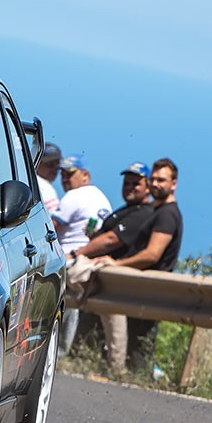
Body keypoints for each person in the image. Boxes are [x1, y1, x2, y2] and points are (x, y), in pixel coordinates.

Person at [96, 157, 183, 370]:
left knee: (139, 351)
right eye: (153, 179)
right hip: (142, 291)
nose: (155, 184)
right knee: (133, 346)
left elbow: (152, 255)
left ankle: (137, 388)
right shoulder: (158, 211)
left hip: (150, 291)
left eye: (161, 180)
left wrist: (117, 264)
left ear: (174, 184)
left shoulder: (167, 215)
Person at [71, 162, 156, 372]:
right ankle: (83, 362)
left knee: (111, 324)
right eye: (126, 183)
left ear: (147, 187)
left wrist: (77, 253)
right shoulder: (127, 210)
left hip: (113, 280)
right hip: (102, 278)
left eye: (136, 183)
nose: (130, 187)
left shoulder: (144, 212)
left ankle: (115, 368)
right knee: (91, 327)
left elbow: (112, 239)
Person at [52, 154, 112, 353]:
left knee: (61, 305)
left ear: (85, 175)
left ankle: (59, 350)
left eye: (70, 174)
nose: (65, 179)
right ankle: (73, 350)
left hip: (69, 257)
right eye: (62, 174)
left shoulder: (74, 196)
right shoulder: (101, 198)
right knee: (73, 307)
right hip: (89, 260)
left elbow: (52, 227)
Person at [35, 143, 61, 215]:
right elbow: (54, 223)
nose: (54, 170)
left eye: (57, 166)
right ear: (38, 162)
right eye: (49, 164)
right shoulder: (43, 186)